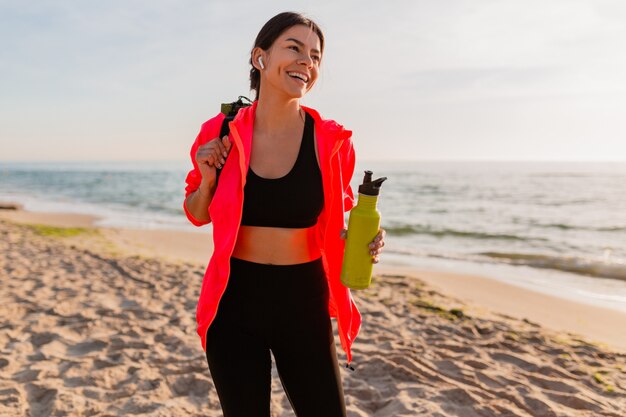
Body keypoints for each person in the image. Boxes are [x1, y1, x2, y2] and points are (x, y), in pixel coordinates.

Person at [183, 12, 385, 417]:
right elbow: (196, 212)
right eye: (294, 48)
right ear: (260, 57)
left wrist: (367, 241)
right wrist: (206, 182)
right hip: (234, 301)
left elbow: (338, 224)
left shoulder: (332, 141)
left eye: (315, 56)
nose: (306, 63)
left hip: (303, 299)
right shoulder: (220, 132)